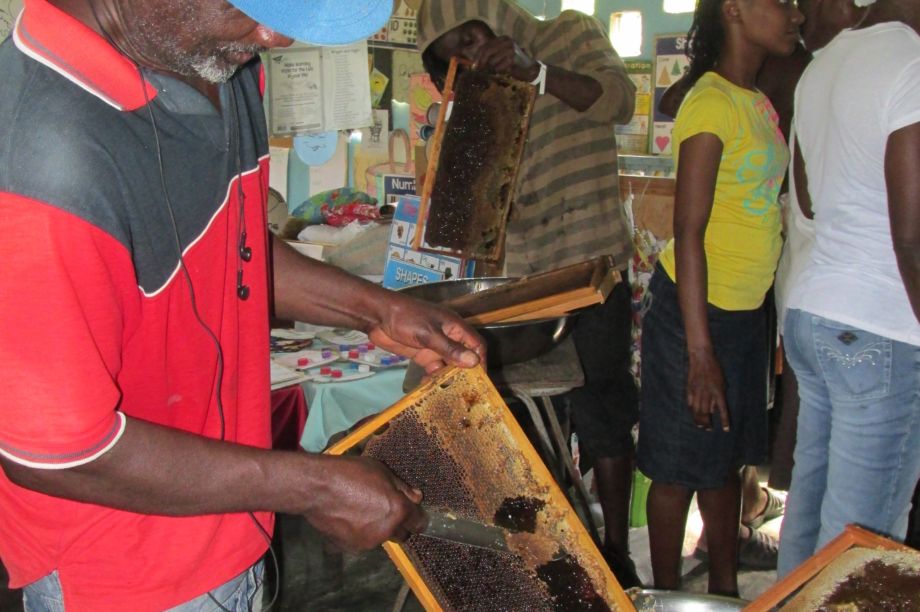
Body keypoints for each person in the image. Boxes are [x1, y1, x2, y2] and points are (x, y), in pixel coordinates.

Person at [0, 0, 486, 609]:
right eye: (249, 4)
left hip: (229, 534)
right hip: (128, 576)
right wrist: (311, 486)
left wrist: (377, 310)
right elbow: (57, 455)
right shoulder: (41, 160)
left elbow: (233, 242)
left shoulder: (217, 65)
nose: (276, 36)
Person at [415, 0, 642, 587]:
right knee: (522, 420)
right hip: (520, 287)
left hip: (590, 272)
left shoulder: (570, 32)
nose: (468, 58)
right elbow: (468, 215)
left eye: (469, 39)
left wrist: (535, 71)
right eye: (452, 59)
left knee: (603, 416)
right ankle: (549, 557)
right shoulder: (474, 96)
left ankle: (618, 557)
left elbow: (620, 100)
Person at [636, 0, 802, 596]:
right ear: (734, 9)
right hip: (693, 316)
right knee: (677, 468)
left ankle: (725, 595)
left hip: (741, 315)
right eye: (779, 2)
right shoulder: (710, 102)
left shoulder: (755, 99)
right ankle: (662, 597)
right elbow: (688, 228)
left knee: (727, 460)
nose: (793, 13)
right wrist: (700, 352)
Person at [777, 0, 920, 577]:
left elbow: (810, 199)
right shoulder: (911, 63)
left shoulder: (823, 65)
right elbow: (911, 242)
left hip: (815, 310)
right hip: (881, 327)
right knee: (859, 551)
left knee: (809, 519)